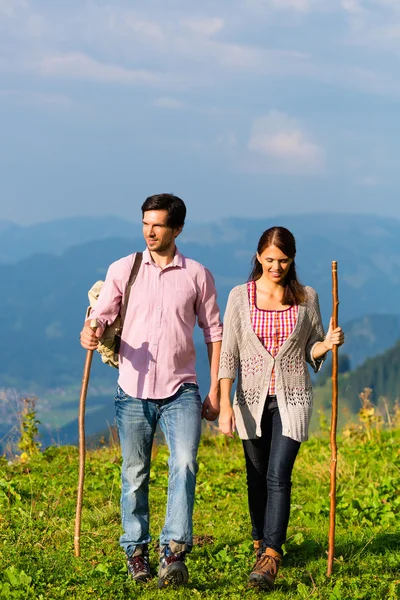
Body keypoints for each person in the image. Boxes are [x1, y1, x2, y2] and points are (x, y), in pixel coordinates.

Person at [80, 194, 222, 588]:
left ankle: (173, 552)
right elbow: (103, 312)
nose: (150, 231)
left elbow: (214, 333)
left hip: (182, 389)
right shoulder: (124, 268)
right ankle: (136, 551)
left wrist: (216, 391)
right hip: (133, 390)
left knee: (185, 463)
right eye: (146, 223)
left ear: (177, 229)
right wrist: (90, 329)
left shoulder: (197, 274)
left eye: (158, 225)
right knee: (135, 472)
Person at [218, 226, 344, 590]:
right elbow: (229, 354)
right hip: (250, 401)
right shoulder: (240, 297)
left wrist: (327, 344)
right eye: (270, 259)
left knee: (278, 475)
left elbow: (311, 349)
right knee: (255, 477)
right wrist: (225, 404)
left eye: (283, 260)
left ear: (292, 260)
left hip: (294, 400)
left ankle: (272, 553)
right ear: (258, 257)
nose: (276, 267)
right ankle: (260, 540)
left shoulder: (307, 297)